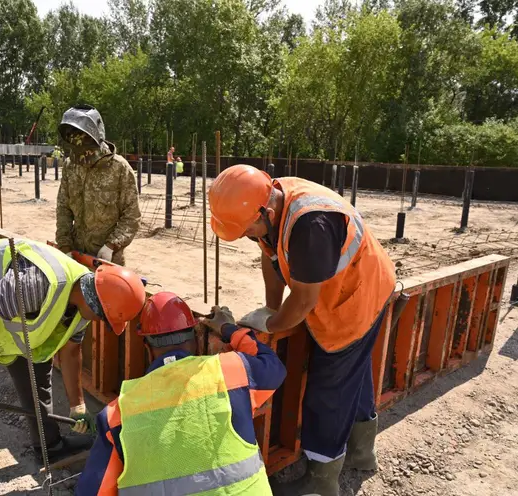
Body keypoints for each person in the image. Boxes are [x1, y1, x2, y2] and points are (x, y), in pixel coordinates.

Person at [209, 165, 396, 496]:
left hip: (357, 296)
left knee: (329, 389)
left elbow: (306, 299)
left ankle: (321, 480)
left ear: (265, 210)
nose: (248, 236)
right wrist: (271, 306)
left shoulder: (310, 225)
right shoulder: (270, 201)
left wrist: (273, 323)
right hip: (358, 283)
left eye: (248, 229)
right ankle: (361, 453)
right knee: (355, 371)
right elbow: (270, 255)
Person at [0, 237, 146, 496]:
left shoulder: (86, 298)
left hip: (3, 312)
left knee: (37, 374)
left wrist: (78, 407)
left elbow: (71, 351)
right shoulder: (35, 286)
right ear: (95, 304)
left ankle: (49, 446)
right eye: (104, 319)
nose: (101, 323)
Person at [75, 292, 287, 495]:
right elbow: (273, 366)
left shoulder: (117, 414)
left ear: (147, 346)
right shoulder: (231, 372)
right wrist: (228, 328)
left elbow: (93, 491)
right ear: (195, 337)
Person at [56, 105, 141, 266]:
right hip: (75, 255)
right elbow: (63, 208)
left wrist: (111, 245)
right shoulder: (71, 166)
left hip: (108, 258)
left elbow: (132, 216)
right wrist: (64, 245)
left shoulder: (119, 169)